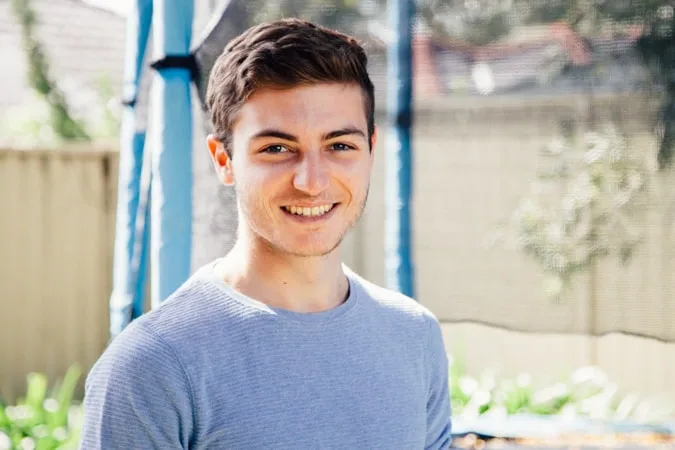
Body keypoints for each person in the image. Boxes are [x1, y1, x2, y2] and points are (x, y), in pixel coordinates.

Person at [79, 18, 452, 449]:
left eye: (339, 146)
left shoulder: (414, 336)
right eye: (277, 148)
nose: (311, 181)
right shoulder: (152, 366)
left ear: (370, 149)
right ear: (223, 159)